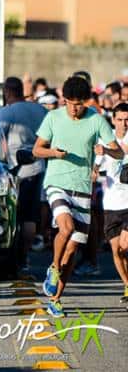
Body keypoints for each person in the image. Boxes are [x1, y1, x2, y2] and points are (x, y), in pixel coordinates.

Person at [34, 76, 123, 318]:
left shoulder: (96, 120)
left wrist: (105, 150)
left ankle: (55, 299)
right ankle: (53, 269)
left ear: (86, 102)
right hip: (57, 183)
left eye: (79, 104)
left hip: (83, 188)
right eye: (71, 104)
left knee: (72, 250)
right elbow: (36, 149)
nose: (75, 108)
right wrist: (54, 152)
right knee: (66, 227)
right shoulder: (53, 118)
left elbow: (118, 151)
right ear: (64, 101)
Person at [0, 76, 48, 268]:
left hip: (15, 171)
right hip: (38, 167)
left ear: (7, 92)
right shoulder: (40, 110)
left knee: (14, 215)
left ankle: (13, 257)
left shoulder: (7, 112)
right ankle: (25, 257)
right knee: (30, 216)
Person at [95, 102, 128, 303]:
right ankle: (127, 285)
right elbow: (94, 170)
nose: (125, 124)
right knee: (116, 251)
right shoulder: (104, 142)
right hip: (110, 204)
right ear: (113, 120)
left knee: (125, 246)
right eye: (121, 120)